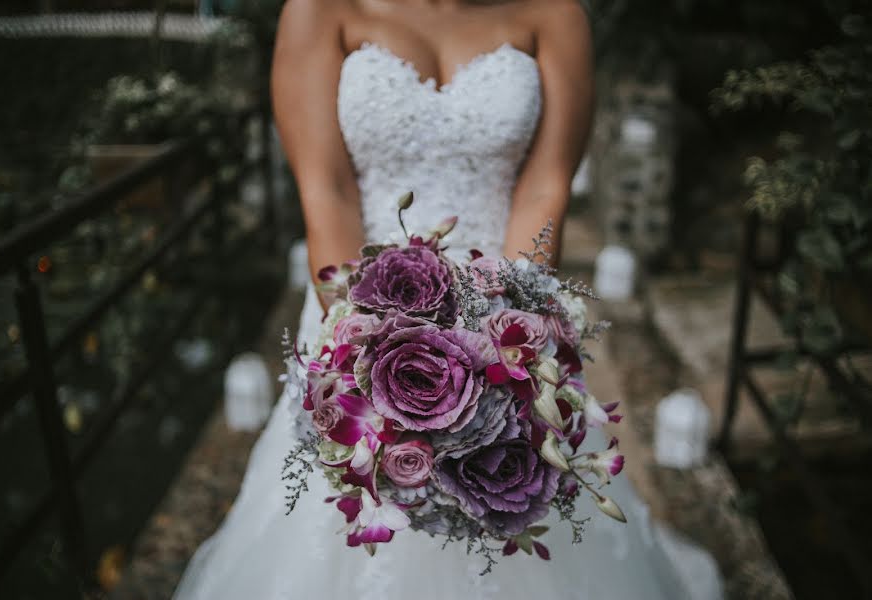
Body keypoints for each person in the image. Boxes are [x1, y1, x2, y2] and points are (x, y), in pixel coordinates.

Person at [173, 1, 723, 598]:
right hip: (354, 310)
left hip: (505, 320)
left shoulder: (555, 12)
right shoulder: (318, 9)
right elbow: (325, 189)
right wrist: (365, 352)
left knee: (517, 494)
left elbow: (546, 184)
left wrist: (508, 336)